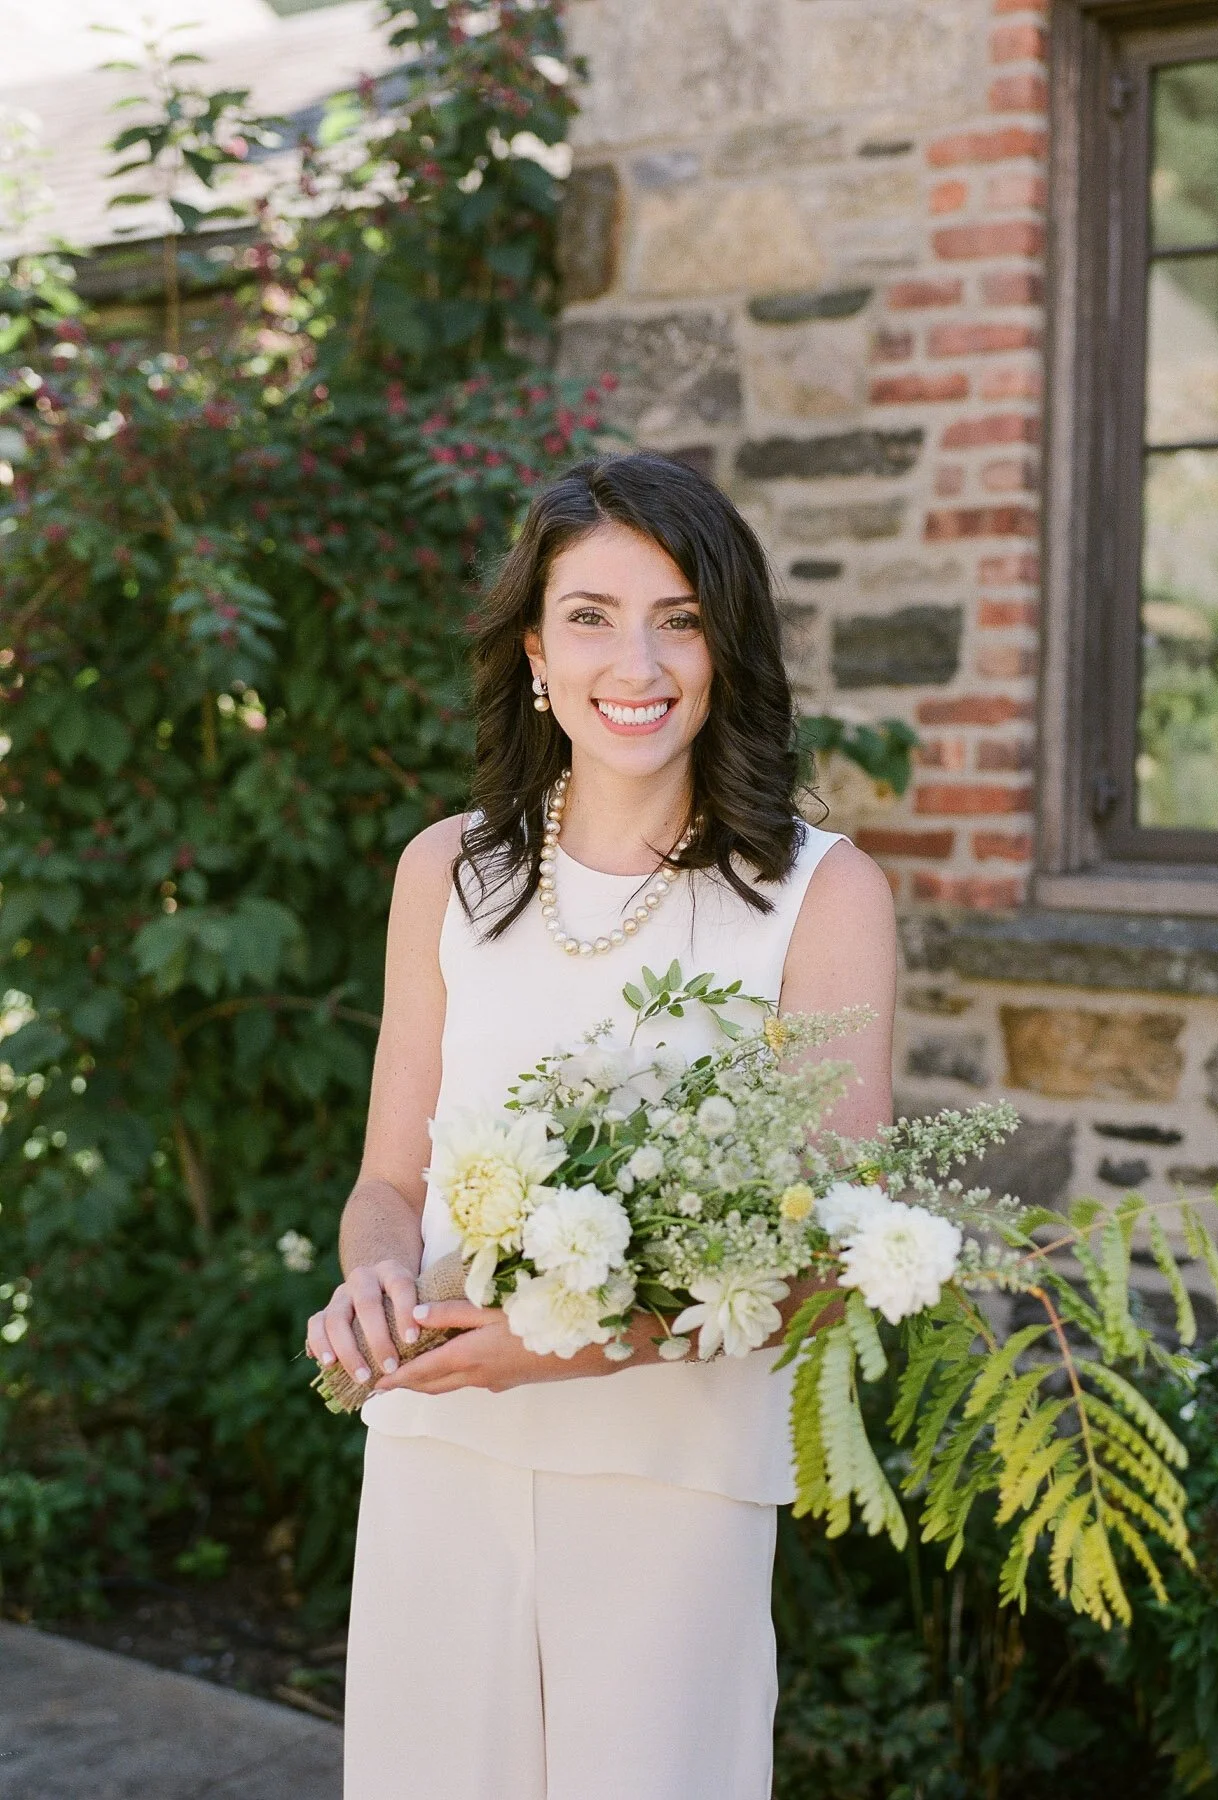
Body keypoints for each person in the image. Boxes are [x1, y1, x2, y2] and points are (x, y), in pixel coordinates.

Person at [305, 451, 897, 1800]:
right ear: (533, 651)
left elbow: (827, 1259)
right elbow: (389, 1181)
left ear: (723, 646)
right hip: (439, 1447)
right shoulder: (445, 872)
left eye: (677, 617)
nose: (635, 661)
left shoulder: (820, 895)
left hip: (672, 1475)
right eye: (590, 615)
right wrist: (372, 1278)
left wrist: (578, 1345)